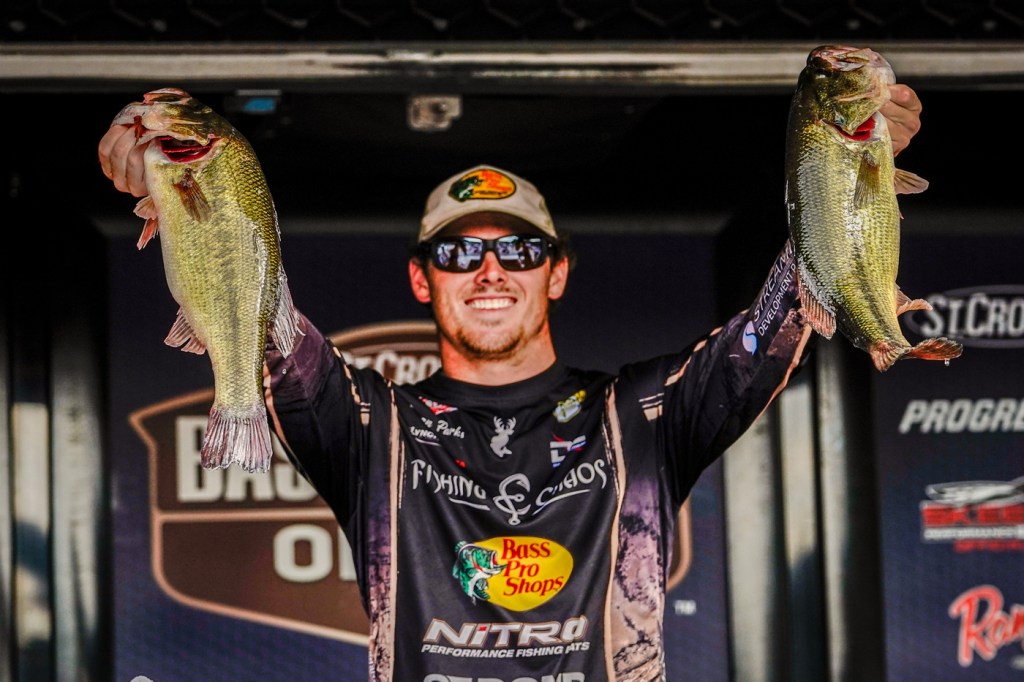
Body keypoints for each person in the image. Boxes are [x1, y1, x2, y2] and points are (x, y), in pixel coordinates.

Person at [99, 86, 923, 682]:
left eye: (519, 250)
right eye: (460, 252)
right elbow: (271, 330)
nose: (490, 270)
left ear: (555, 272)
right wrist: (190, 187)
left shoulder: (640, 413)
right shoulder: (373, 428)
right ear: (422, 278)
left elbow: (779, 318)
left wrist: (846, 167)